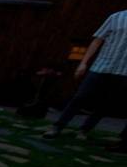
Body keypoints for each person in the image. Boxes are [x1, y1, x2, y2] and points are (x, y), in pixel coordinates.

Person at [43, 9, 127, 154]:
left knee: (105, 104)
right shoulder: (116, 17)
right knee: (80, 97)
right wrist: (83, 63)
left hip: (123, 71)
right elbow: (97, 40)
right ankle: (57, 126)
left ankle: (84, 130)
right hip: (101, 66)